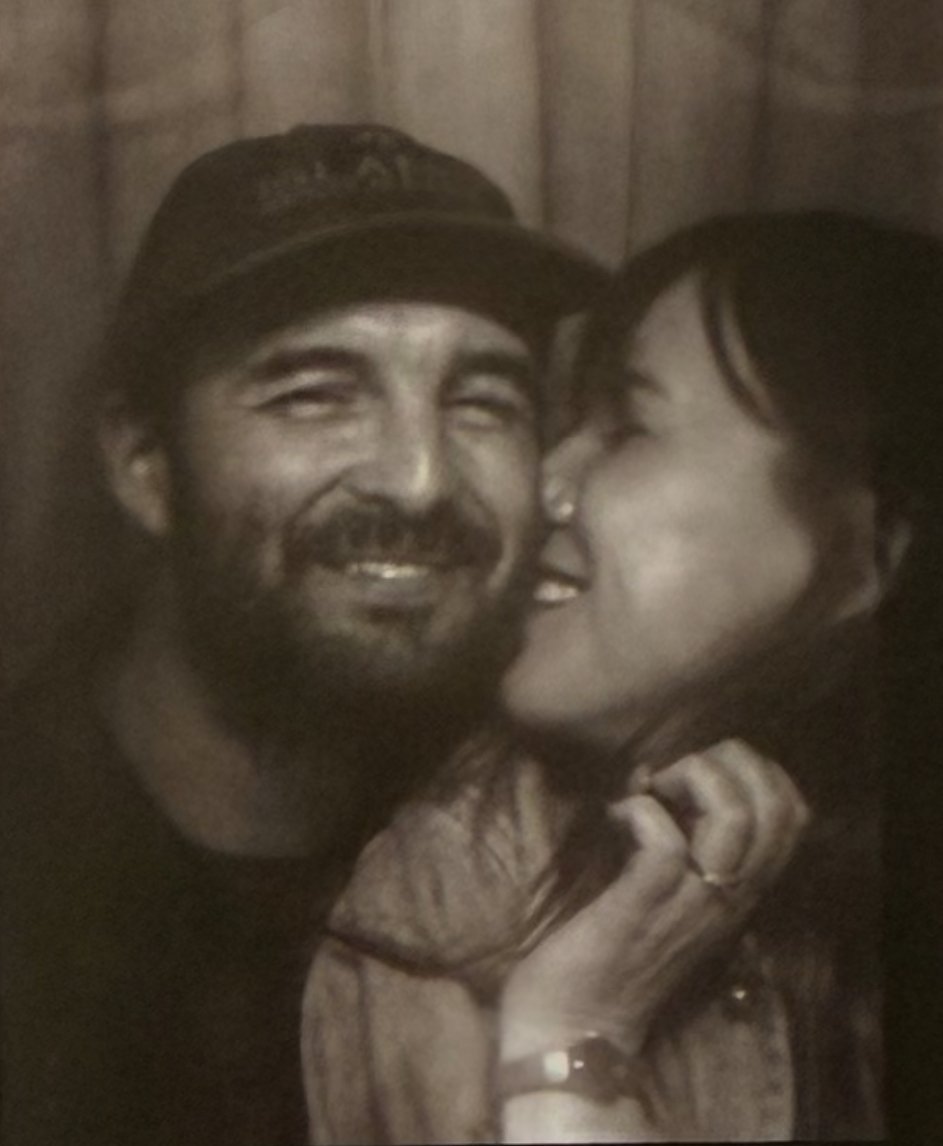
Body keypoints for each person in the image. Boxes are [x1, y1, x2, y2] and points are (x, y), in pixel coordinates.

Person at [0, 124, 607, 1146]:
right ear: (145, 463)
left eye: (482, 401)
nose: (418, 479)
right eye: (316, 395)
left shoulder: (584, 849)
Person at [302, 210, 943, 1141]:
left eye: (630, 429)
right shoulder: (427, 920)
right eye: (568, 424)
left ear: (866, 555)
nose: (546, 483)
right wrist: (573, 1049)